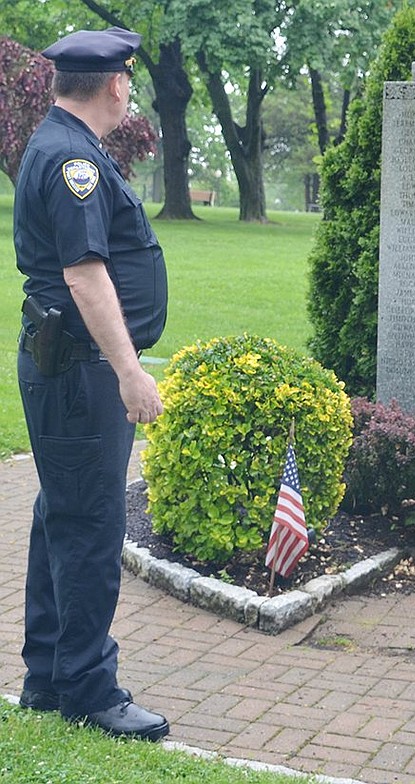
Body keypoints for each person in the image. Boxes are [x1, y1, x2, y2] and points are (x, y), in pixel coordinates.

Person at [13, 27, 169, 741]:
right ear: (114, 84)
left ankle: (48, 677)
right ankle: (87, 687)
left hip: (64, 364)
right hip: (81, 368)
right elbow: (83, 274)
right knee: (90, 526)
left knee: (60, 514)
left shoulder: (60, 146)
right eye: (128, 77)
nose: (129, 87)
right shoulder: (72, 159)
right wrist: (130, 373)